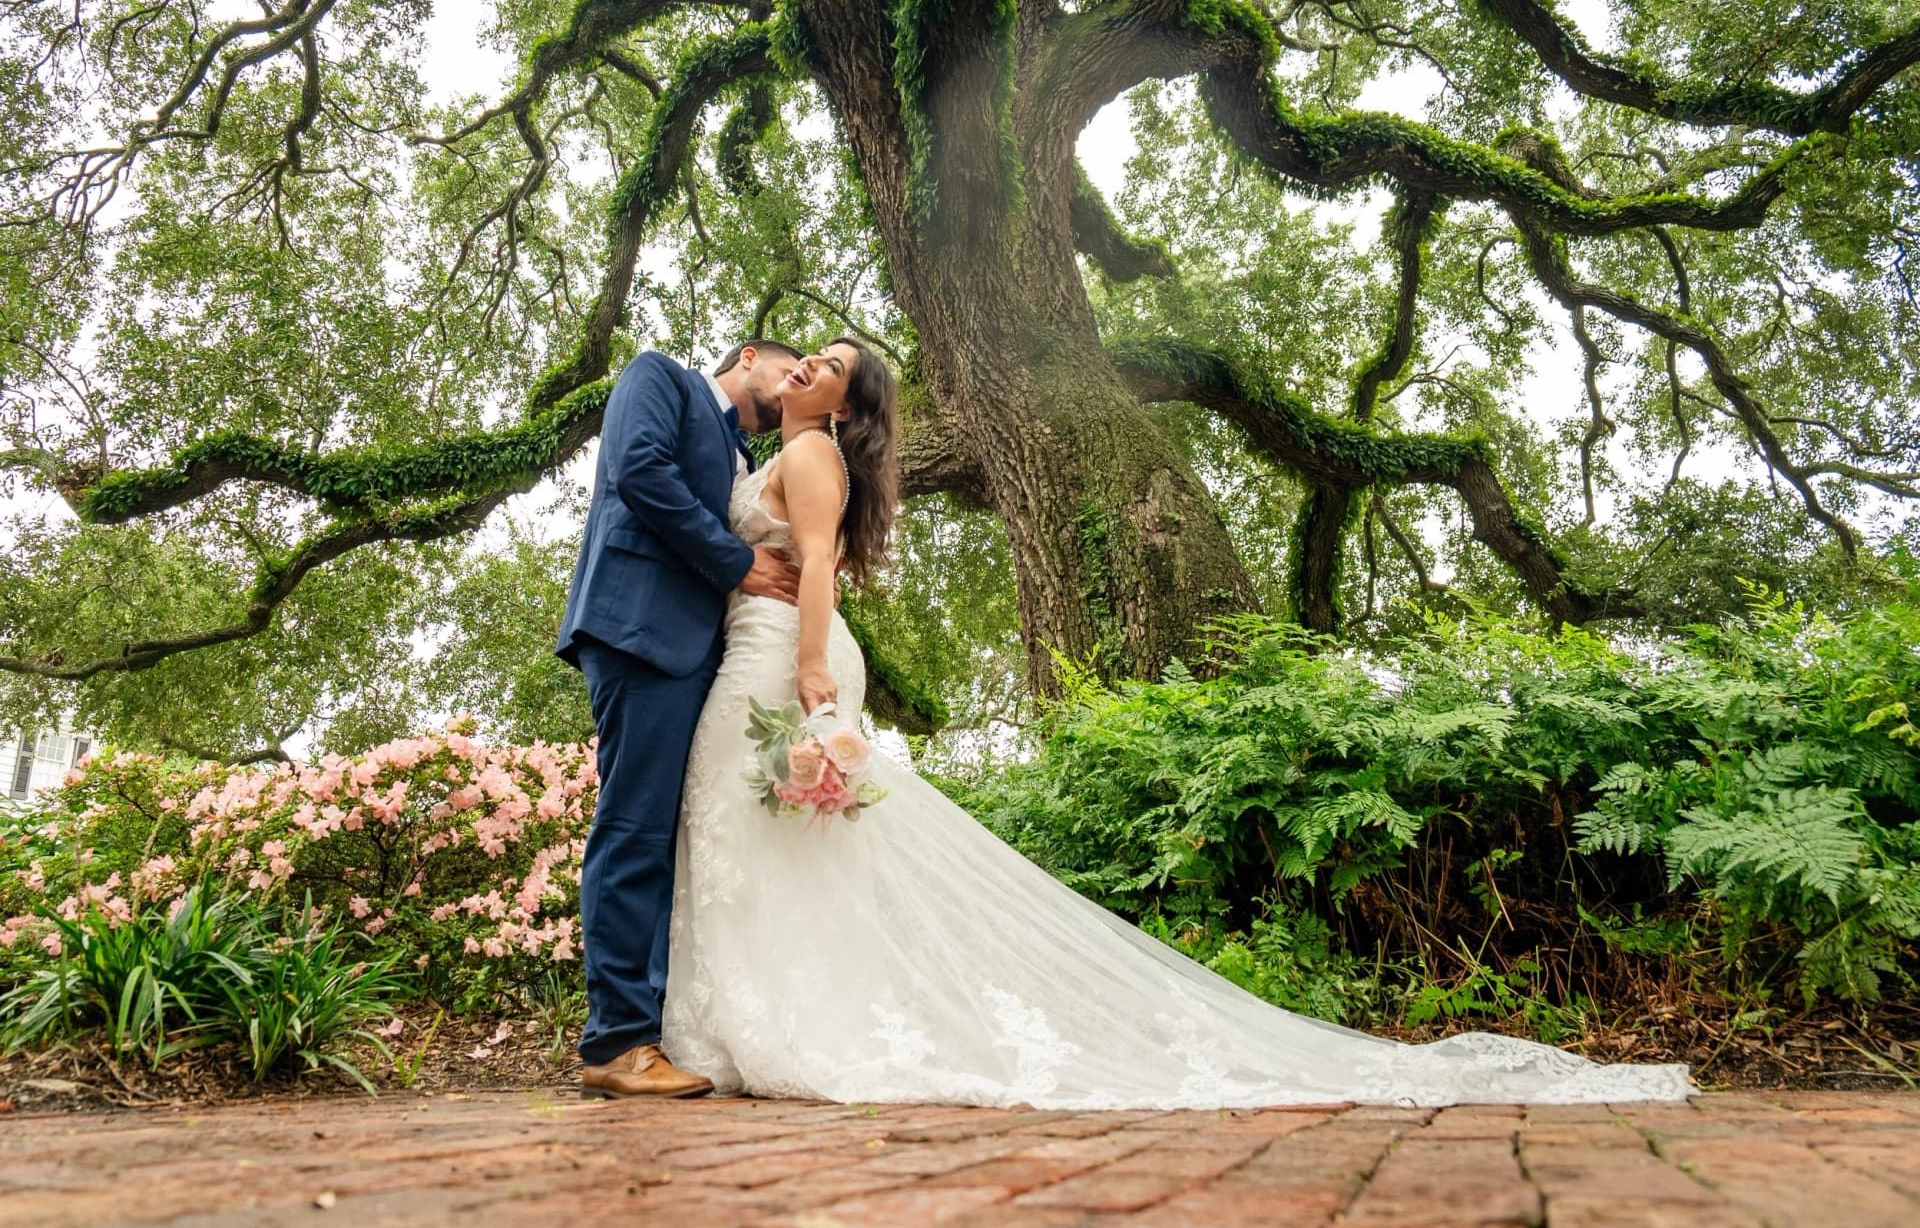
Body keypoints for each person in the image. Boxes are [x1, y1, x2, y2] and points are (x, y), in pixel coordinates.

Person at [659, 336, 1695, 1107]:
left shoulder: (812, 461)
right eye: (805, 357)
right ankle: (750, 1016)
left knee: (744, 813)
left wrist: (811, 677)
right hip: (763, 643)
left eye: (829, 365)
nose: (805, 367)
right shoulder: (786, 454)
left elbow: (822, 567)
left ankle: (768, 1022)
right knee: (756, 829)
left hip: (780, 656)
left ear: (849, 404)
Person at [556, 338, 807, 1099]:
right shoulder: (658, 375)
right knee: (633, 828)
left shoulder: (743, 451)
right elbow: (640, 471)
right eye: (786, 373)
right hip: (640, 627)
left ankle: (657, 1030)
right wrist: (739, 564)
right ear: (750, 353)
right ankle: (617, 1043)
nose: (789, 390)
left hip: (703, 650)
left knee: (676, 838)